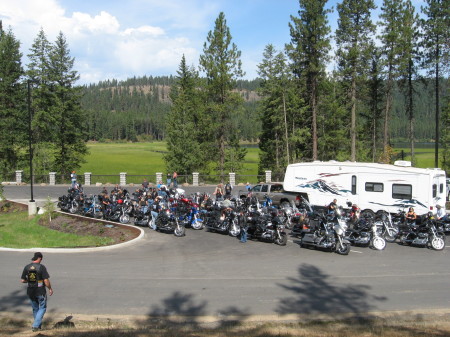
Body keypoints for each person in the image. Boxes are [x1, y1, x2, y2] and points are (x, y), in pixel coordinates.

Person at [21, 252, 53, 332]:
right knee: (42, 308)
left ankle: (37, 327)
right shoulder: (41, 267)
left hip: (30, 291)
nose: (41, 260)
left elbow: (22, 280)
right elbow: (46, 280)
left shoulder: (27, 267)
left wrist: (30, 280)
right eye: (41, 259)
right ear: (39, 258)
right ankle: (35, 325)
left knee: (35, 309)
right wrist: (50, 288)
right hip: (40, 291)